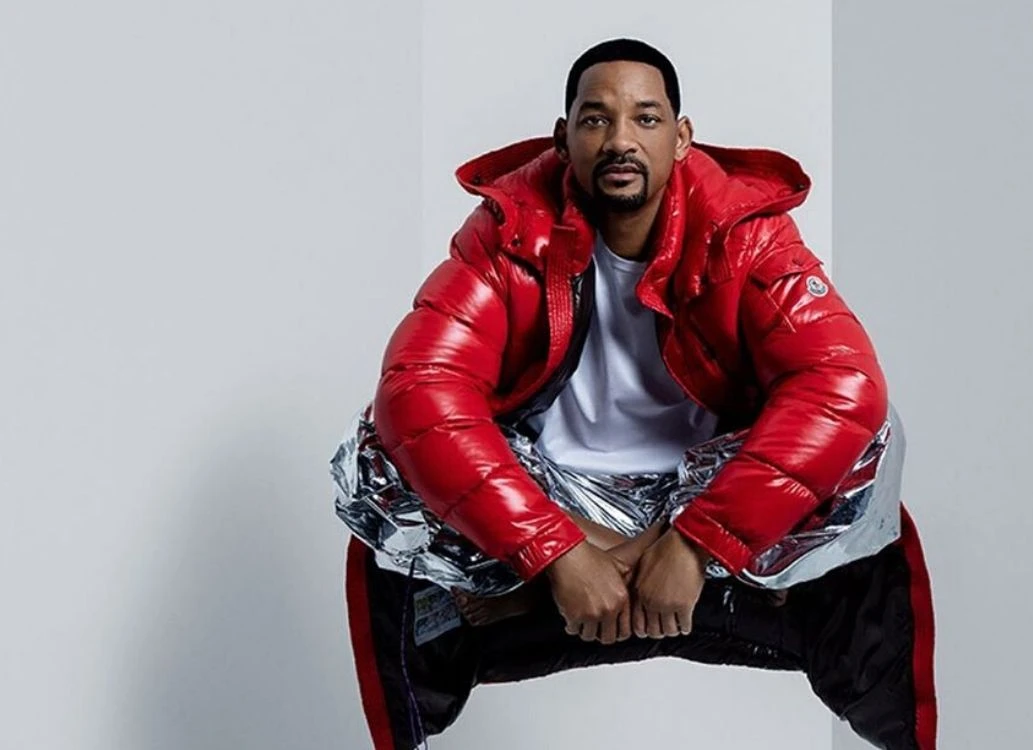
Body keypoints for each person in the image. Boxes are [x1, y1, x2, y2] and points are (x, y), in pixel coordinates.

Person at [342, 37, 937, 750]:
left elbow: (841, 383)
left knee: (872, 437)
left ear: (682, 138)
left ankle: (524, 593)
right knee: (381, 453)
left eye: (645, 119)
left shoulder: (744, 233)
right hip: (557, 495)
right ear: (563, 138)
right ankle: (732, 579)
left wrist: (692, 544)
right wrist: (561, 551)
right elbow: (419, 390)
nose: (620, 139)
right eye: (596, 119)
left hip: (706, 495)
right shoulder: (510, 231)